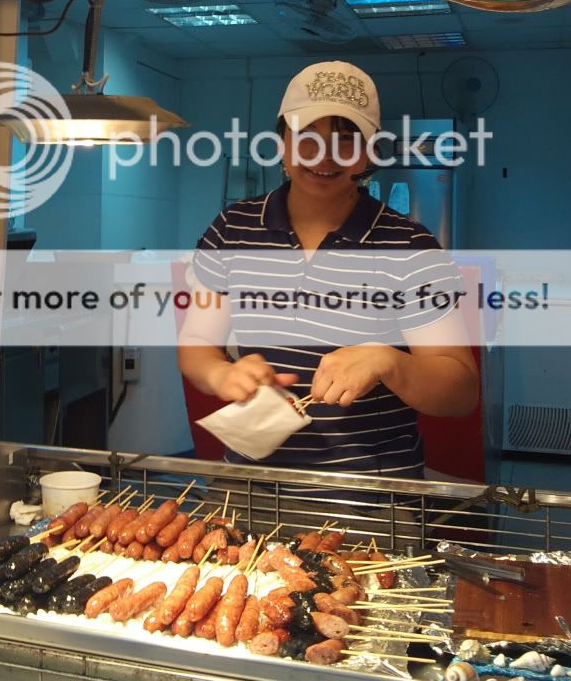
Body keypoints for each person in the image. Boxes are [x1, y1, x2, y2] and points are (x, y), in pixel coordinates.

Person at [177, 60, 479, 487]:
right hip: (249, 483)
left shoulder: (409, 246)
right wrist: (221, 374)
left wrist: (388, 362)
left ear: (369, 151)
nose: (324, 157)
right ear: (281, 143)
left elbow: (461, 392)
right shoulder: (233, 228)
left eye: (346, 140)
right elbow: (197, 344)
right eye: (307, 137)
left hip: (370, 495)